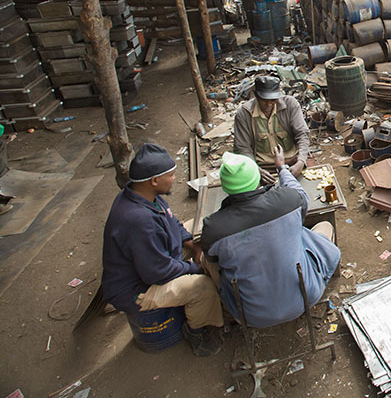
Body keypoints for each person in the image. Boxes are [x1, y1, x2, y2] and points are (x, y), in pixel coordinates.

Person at [101, 143, 223, 357]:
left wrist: (194, 246)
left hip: (153, 260)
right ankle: (197, 333)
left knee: (200, 228)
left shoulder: (144, 195)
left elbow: (172, 222)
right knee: (203, 287)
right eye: (171, 175)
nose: (175, 179)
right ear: (154, 180)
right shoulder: (138, 221)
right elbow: (157, 272)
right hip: (138, 289)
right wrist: (193, 267)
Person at [199, 148, 340, 328]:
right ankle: (318, 279)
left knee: (206, 259)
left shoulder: (214, 227)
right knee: (324, 228)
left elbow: (213, 259)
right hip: (305, 297)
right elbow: (300, 194)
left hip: (250, 315)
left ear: (225, 187)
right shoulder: (289, 200)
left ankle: (225, 309)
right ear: (257, 179)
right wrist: (282, 168)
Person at [233, 75, 310, 184]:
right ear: (256, 95)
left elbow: (302, 134)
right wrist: (256, 169)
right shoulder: (244, 114)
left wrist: (301, 161)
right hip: (262, 167)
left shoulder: (290, 105)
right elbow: (242, 148)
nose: (269, 104)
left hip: (292, 162)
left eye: (273, 100)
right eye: (264, 100)